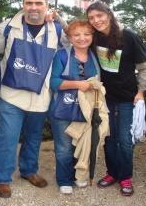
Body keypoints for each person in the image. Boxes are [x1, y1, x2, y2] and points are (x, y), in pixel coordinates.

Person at [0, 0, 68, 198]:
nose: (33, 7)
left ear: (47, 6)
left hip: (40, 95)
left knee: (34, 136)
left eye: (38, 3)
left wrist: (59, 18)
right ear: (22, 5)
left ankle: (28, 170)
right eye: (29, 3)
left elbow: (78, 40)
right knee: (8, 137)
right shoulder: (7, 27)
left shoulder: (58, 30)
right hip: (11, 93)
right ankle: (2, 178)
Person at [86, 1, 146, 196]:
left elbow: (145, 67)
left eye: (99, 16)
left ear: (109, 14)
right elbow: (74, 34)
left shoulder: (128, 36)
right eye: (91, 18)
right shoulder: (95, 37)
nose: (96, 21)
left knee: (123, 139)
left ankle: (125, 177)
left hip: (127, 97)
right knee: (108, 137)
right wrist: (56, 18)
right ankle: (112, 173)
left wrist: (141, 91)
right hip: (105, 97)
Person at [49, 20, 101, 194]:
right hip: (63, 108)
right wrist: (79, 84)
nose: (82, 38)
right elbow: (54, 82)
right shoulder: (62, 55)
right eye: (76, 34)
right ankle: (64, 179)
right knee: (64, 146)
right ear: (70, 38)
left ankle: (79, 175)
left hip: (86, 108)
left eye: (86, 34)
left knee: (83, 143)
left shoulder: (96, 56)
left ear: (92, 36)